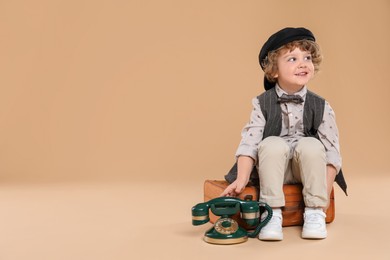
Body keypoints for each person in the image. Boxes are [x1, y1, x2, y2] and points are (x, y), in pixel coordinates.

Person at [221, 27, 347, 240]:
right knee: (271, 143)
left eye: (307, 57)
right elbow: (249, 143)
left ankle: (314, 213)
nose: (302, 63)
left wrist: (322, 196)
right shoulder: (262, 103)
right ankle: (272, 214)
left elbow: (332, 153)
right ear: (274, 70)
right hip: (272, 167)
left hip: (306, 168)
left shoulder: (321, 105)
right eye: (292, 59)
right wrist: (241, 179)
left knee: (312, 145)